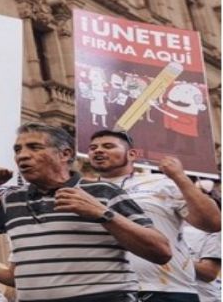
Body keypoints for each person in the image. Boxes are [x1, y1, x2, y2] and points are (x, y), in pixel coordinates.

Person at [0, 122, 172, 302]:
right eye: (18, 149)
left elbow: (161, 251)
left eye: (34, 147)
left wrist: (103, 214)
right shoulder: (12, 201)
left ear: (64, 154)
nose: (22, 155)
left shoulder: (102, 192)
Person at [87, 129, 221, 302]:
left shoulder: (161, 183)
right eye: (92, 147)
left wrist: (179, 177)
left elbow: (212, 223)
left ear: (132, 154)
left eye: (108, 146)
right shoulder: (81, 190)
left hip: (165, 290)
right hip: (105, 291)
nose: (98, 150)